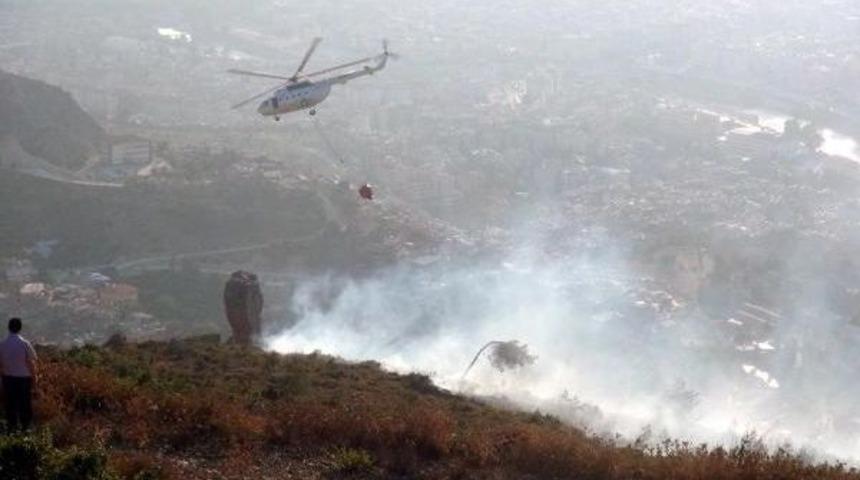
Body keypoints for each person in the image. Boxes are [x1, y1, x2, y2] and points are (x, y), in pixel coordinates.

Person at [0, 318, 38, 433]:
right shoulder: (24, 344)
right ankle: (25, 429)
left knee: (10, 405)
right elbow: (31, 362)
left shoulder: (2, 344)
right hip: (23, 379)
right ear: (20, 328)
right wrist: (34, 378)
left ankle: (11, 429)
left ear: (9, 328)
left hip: (7, 378)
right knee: (24, 405)